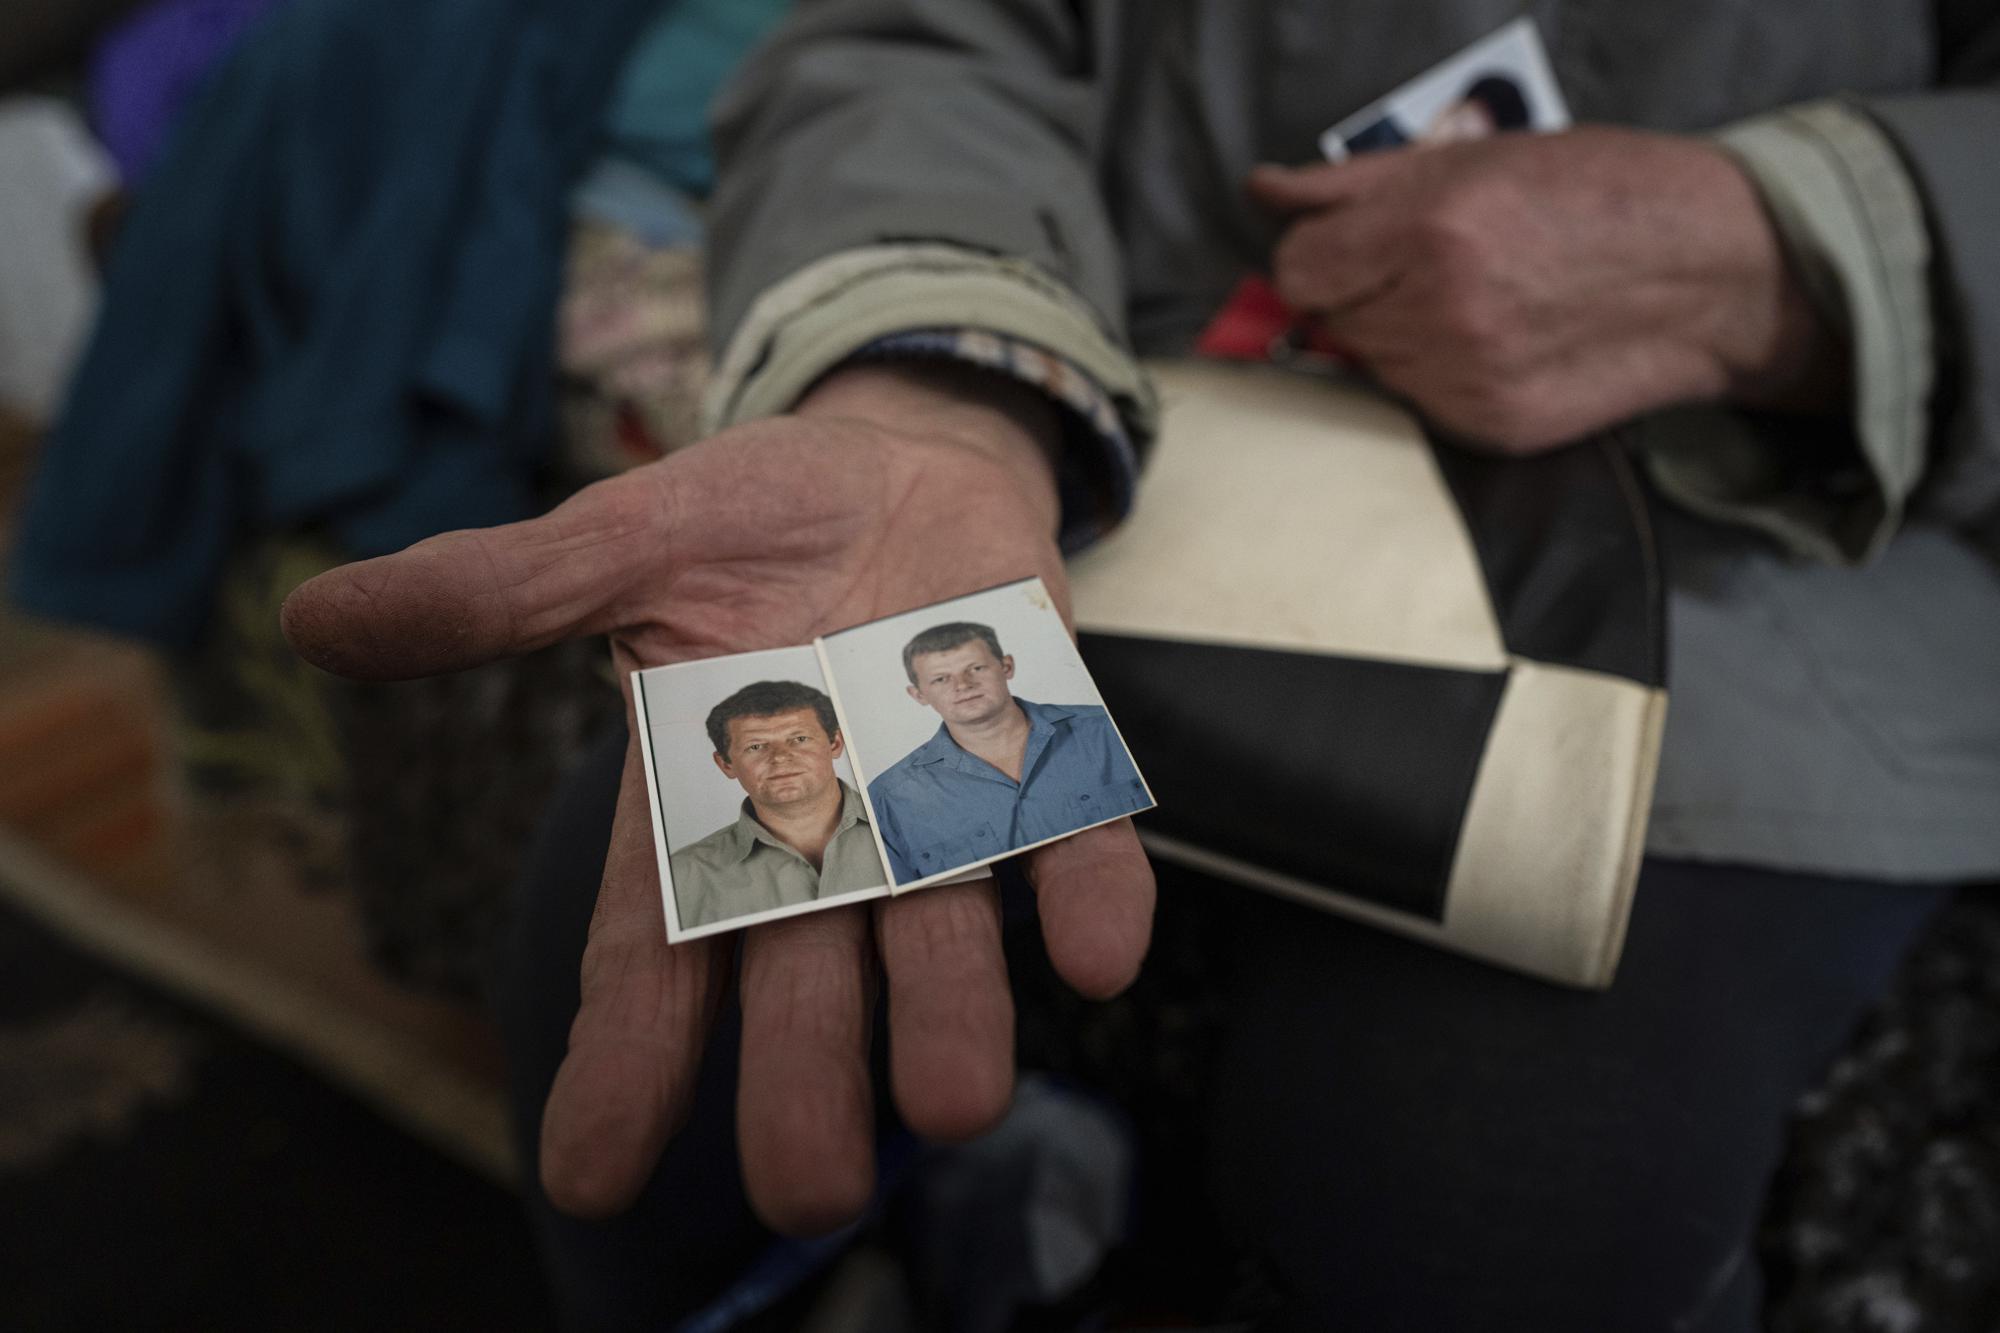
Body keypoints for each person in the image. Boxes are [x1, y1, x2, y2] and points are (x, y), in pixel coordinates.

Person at [280, 3, 2000, 1327]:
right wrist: (933, 380)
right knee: (645, 945)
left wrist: (1798, 249)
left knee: (1485, 1191)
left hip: (1762, 561)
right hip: (1125, 449)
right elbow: (922, 41)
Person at [867, 621, 1149, 884]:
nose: (963, 685)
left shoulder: (1106, 730)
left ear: (1007, 666)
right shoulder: (888, 798)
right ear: (918, 694)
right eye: (941, 679)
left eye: (976, 668)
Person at [668, 680, 886, 928]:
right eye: (756, 746)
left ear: (835, 743)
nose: (780, 757)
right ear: (726, 764)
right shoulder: (683, 876)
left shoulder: (905, 823)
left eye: (799, 738)